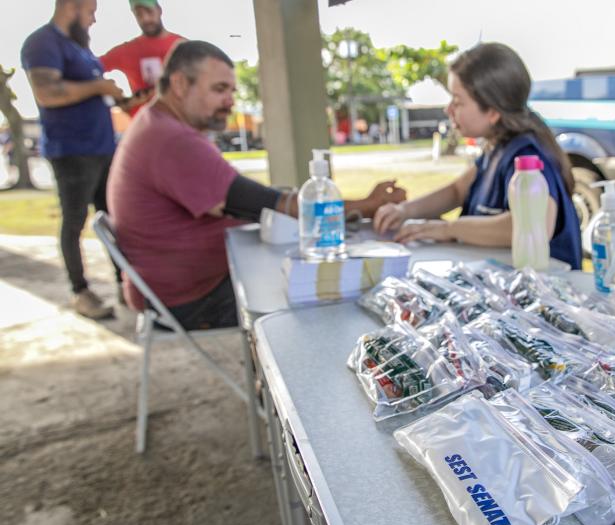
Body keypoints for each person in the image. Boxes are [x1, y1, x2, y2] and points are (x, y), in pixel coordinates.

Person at [107, 41, 405, 330]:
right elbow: (266, 204)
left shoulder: (157, 124)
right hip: (190, 300)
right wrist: (366, 205)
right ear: (180, 84)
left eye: (231, 90)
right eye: (219, 89)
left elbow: (254, 198)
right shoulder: (172, 139)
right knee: (327, 290)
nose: (230, 101)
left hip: (174, 289)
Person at [373, 43, 582, 269]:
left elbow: (534, 223)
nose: (448, 110)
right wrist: (405, 210)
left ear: (492, 111)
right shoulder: (496, 147)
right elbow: (456, 191)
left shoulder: (527, 156)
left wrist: (448, 229)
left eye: (458, 101)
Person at [21, 0, 125, 319]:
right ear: (72, 5)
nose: (93, 20)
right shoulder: (42, 42)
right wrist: (98, 86)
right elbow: (47, 93)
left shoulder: (80, 48)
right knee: (75, 221)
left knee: (114, 219)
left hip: (102, 147)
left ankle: (126, 283)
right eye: (91, 12)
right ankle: (80, 291)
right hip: (71, 150)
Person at [100, 0, 183, 117]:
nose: (145, 19)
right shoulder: (126, 50)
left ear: (159, 10)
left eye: (149, 11)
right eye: (139, 14)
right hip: (143, 126)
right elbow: (89, 69)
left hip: (179, 123)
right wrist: (119, 101)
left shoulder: (183, 45)